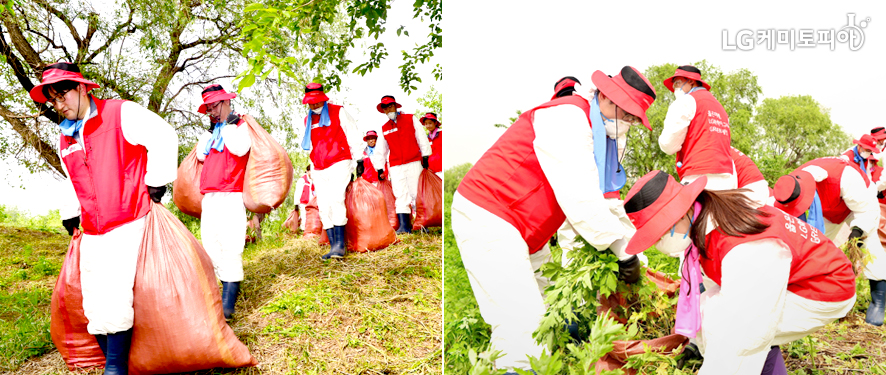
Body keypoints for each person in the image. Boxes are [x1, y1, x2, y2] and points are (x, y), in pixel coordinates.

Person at [451, 66, 657, 372]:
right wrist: (622, 251)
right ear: (610, 100)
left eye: (633, 119)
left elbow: (606, 202)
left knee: (550, 313)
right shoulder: (568, 118)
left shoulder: (599, 135)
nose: (628, 123)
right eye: (627, 114)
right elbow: (579, 196)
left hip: (524, 229)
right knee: (525, 326)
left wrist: (632, 250)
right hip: (490, 216)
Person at [622, 170, 855, 375]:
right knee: (707, 308)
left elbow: (745, 330)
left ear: (681, 213)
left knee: (736, 333)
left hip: (823, 288)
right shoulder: (710, 219)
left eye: (660, 233)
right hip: (793, 276)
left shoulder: (744, 248)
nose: (659, 243)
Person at [33, 62, 178, 374]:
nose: (60, 105)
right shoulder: (66, 137)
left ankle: (115, 369)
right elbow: (72, 178)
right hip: (93, 228)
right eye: (54, 100)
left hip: (129, 218)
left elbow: (164, 135)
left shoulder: (121, 113)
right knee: (94, 301)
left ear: (82, 88)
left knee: (116, 295)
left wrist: (156, 180)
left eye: (63, 95)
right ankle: (117, 362)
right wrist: (69, 213)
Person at [794, 157, 886, 326]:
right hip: (827, 211)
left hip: (859, 207)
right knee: (815, 248)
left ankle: (878, 302)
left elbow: (864, 210)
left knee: (871, 246)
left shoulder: (845, 177)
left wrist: (857, 232)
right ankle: (818, 293)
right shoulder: (795, 181)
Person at [193, 84, 252, 321]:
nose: (212, 111)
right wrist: (212, 131)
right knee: (211, 248)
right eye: (208, 108)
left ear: (227, 102)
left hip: (232, 194)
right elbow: (199, 154)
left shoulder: (240, 126)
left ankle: (228, 306)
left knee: (231, 246)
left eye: (215, 106)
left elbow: (240, 149)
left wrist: (227, 126)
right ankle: (223, 292)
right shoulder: (211, 132)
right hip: (210, 196)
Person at [300, 83, 364, 259]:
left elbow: (353, 134)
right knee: (323, 204)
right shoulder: (308, 120)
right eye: (310, 103)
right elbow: (312, 145)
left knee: (337, 199)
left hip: (340, 161)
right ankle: (332, 244)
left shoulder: (339, 111)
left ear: (323, 98)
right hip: (319, 166)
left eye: (317, 102)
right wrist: (312, 167)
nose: (314, 106)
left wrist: (359, 159)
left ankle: (339, 246)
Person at [659, 65, 736, 190]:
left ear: (690, 81)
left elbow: (668, 145)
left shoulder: (686, 101)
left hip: (699, 176)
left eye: (678, 83)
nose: (675, 89)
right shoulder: (720, 107)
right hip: (727, 178)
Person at [368, 95, 432, 233]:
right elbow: (380, 149)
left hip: (413, 161)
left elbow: (421, 136)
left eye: (390, 106)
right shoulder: (384, 128)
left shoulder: (410, 119)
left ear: (396, 106)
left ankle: (422, 224)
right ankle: (404, 226)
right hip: (395, 165)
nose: (388, 110)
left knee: (416, 193)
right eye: (385, 108)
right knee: (400, 194)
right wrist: (379, 168)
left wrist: (426, 155)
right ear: (383, 110)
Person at [421, 113, 443, 179]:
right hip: (432, 170)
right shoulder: (426, 138)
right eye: (426, 124)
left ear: (435, 123)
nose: (428, 126)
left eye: (430, 123)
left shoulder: (442, 134)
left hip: (442, 169)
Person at [293, 165, 314, 231]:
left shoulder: (312, 181)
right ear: (307, 171)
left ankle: (309, 232)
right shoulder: (302, 180)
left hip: (311, 204)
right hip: (303, 203)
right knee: (304, 218)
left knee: (311, 219)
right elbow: (298, 191)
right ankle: (303, 231)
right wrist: (296, 203)